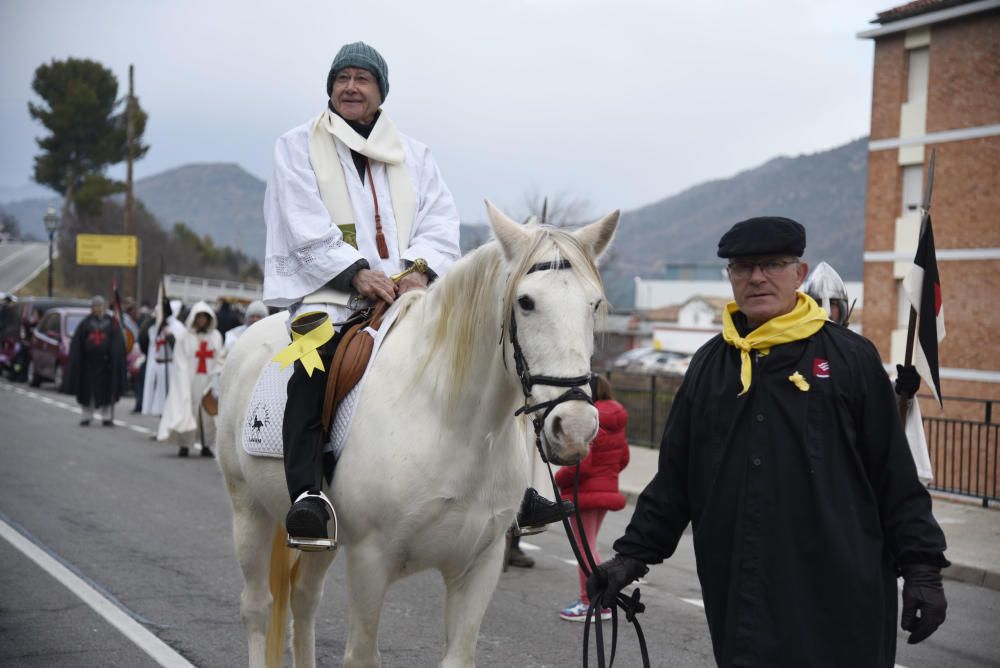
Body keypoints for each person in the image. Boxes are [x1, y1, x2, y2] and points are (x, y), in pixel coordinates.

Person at [587, 217, 949, 667]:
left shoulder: (852, 359)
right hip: (744, 593)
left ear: (799, 274)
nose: (757, 277)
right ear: (730, 278)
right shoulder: (708, 366)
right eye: (743, 267)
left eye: (773, 264)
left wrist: (922, 567)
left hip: (843, 592)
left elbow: (894, 475)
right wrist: (630, 558)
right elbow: (676, 478)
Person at [263, 41, 567, 549]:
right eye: (342, 78)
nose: (351, 87)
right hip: (332, 294)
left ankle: (514, 490)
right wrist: (355, 272)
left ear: (381, 92)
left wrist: (419, 271)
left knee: (483, 363)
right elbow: (301, 221)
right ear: (330, 88)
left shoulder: (414, 153)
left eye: (363, 79)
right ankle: (307, 496)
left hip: (407, 292)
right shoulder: (297, 145)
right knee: (312, 365)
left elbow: (440, 219)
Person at [555, 374, 629, 622]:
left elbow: (581, 466)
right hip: (605, 491)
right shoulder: (616, 419)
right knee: (591, 546)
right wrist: (607, 476)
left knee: (584, 550)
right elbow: (624, 458)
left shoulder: (590, 421)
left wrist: (559, 478)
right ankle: (597, 602)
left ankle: (592, 602)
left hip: (584, 493)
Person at [157, 301, 222, 457]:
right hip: (189, 380)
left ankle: (206, 445)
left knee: (207, 414)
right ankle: (185, 445)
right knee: (188, 410)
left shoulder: (215, 336)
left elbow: (219, 358)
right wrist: (183, 382)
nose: (201, 320)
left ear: (208, 319)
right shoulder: (184, 337)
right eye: (198, 317)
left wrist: (215, 377)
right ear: (193, 318)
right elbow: (180, 361)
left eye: (204, 317)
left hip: (208, 380)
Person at [67, 295, 127, 426]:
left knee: (107, 391)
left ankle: (106, 417)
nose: (97, 309)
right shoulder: (85, 323)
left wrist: (114, 357)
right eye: (94, 306)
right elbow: (78, 343)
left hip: (106, 365)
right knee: (88, 391)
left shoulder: (112, 323)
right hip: (89, 364)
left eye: (99, 306)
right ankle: (87, 416)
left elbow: (117, 343)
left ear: (103, 307)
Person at [141, 299, 184, 416]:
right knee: (158, 400)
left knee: (169, 399)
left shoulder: (178, 327)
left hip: (171, 366)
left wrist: (170, 336)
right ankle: (160, 428)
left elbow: (180, 348)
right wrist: (151, 320)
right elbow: (143, 340)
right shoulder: (154, 326)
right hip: (157, 365)